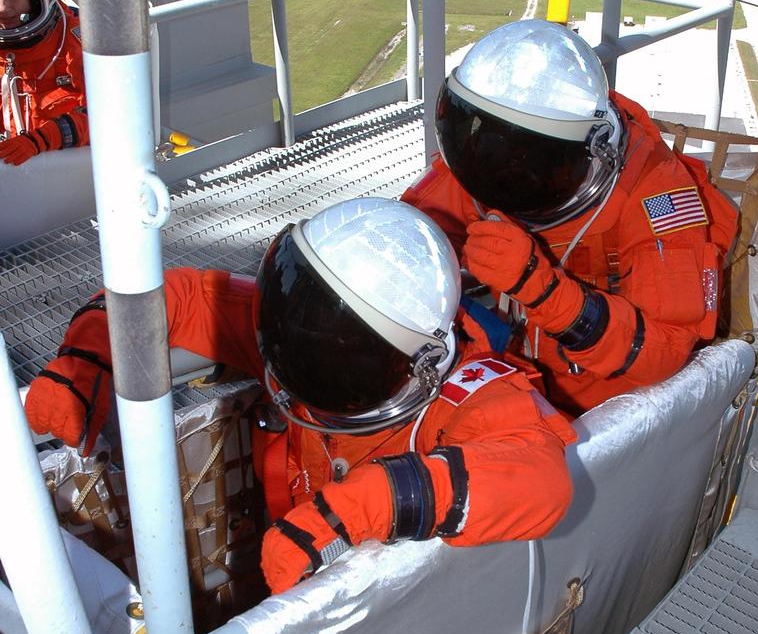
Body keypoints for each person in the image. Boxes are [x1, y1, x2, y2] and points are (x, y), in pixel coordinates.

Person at [24, 197, 575, 594]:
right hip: (290, 559)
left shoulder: (474, 393)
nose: (296, 372)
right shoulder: (298, 331)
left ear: (417, 365)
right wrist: (87, 357)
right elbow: (180, 296)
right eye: (296, 336)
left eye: (342, 358)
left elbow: (542, 480)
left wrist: (365, 506)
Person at [403, 19, 739, 415]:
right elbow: (411, 231)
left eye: (533, 161)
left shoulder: (656, 197)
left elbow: (666, 351)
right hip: (503, 375)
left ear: (595, 152)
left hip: (589, 406)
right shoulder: (485, 164)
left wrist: (544, 291)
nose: (508, 179)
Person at [0, 0, 89, 167]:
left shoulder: (78, 41)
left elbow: (109, 116)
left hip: (70, 174)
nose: (2, 8)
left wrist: (40, 140)